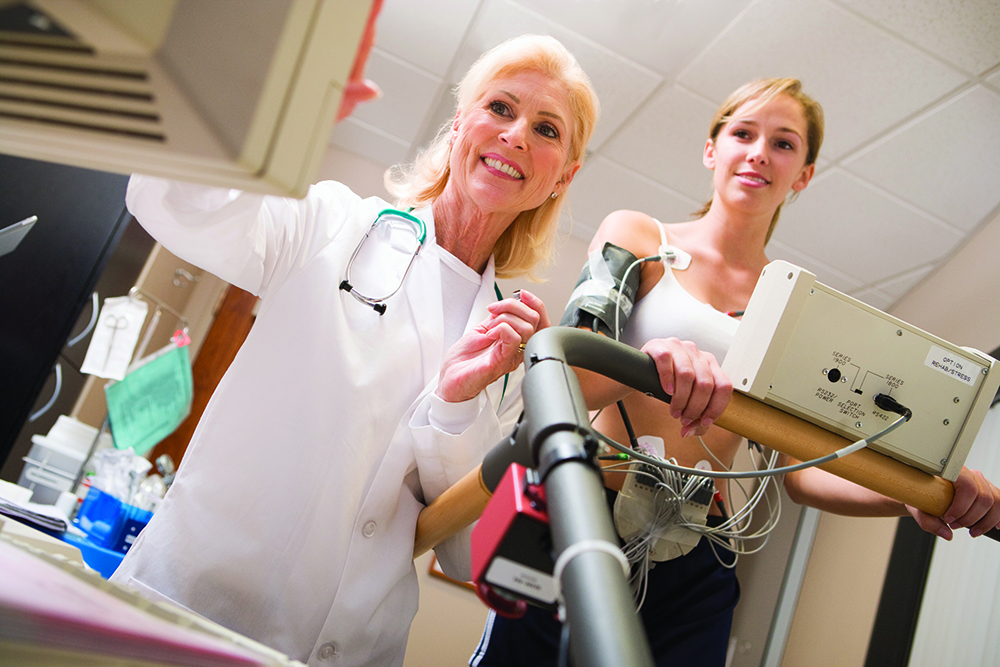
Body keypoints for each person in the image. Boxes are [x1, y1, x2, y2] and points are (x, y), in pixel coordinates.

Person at [109, 34, 612, 667]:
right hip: (198, 610)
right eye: (501, 108)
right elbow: (176, 205)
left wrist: (456, 407)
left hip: (357, 648)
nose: (516, 136)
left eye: (547, 129)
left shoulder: (516, 349)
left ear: (562, 176)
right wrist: (258, 119)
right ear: (460, 123)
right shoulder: (334, 224)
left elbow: (464, 552)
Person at [471, 78, 1000, 667]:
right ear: (711, 149)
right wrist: (651, 363)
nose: (758, 153)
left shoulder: (796, 308)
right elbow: (574, 383)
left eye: (783, 143)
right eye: (743, 134)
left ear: (803, 174)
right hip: (586, 507)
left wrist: (910, 497)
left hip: (701, 549)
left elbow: (803, 469)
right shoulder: (639, 237)